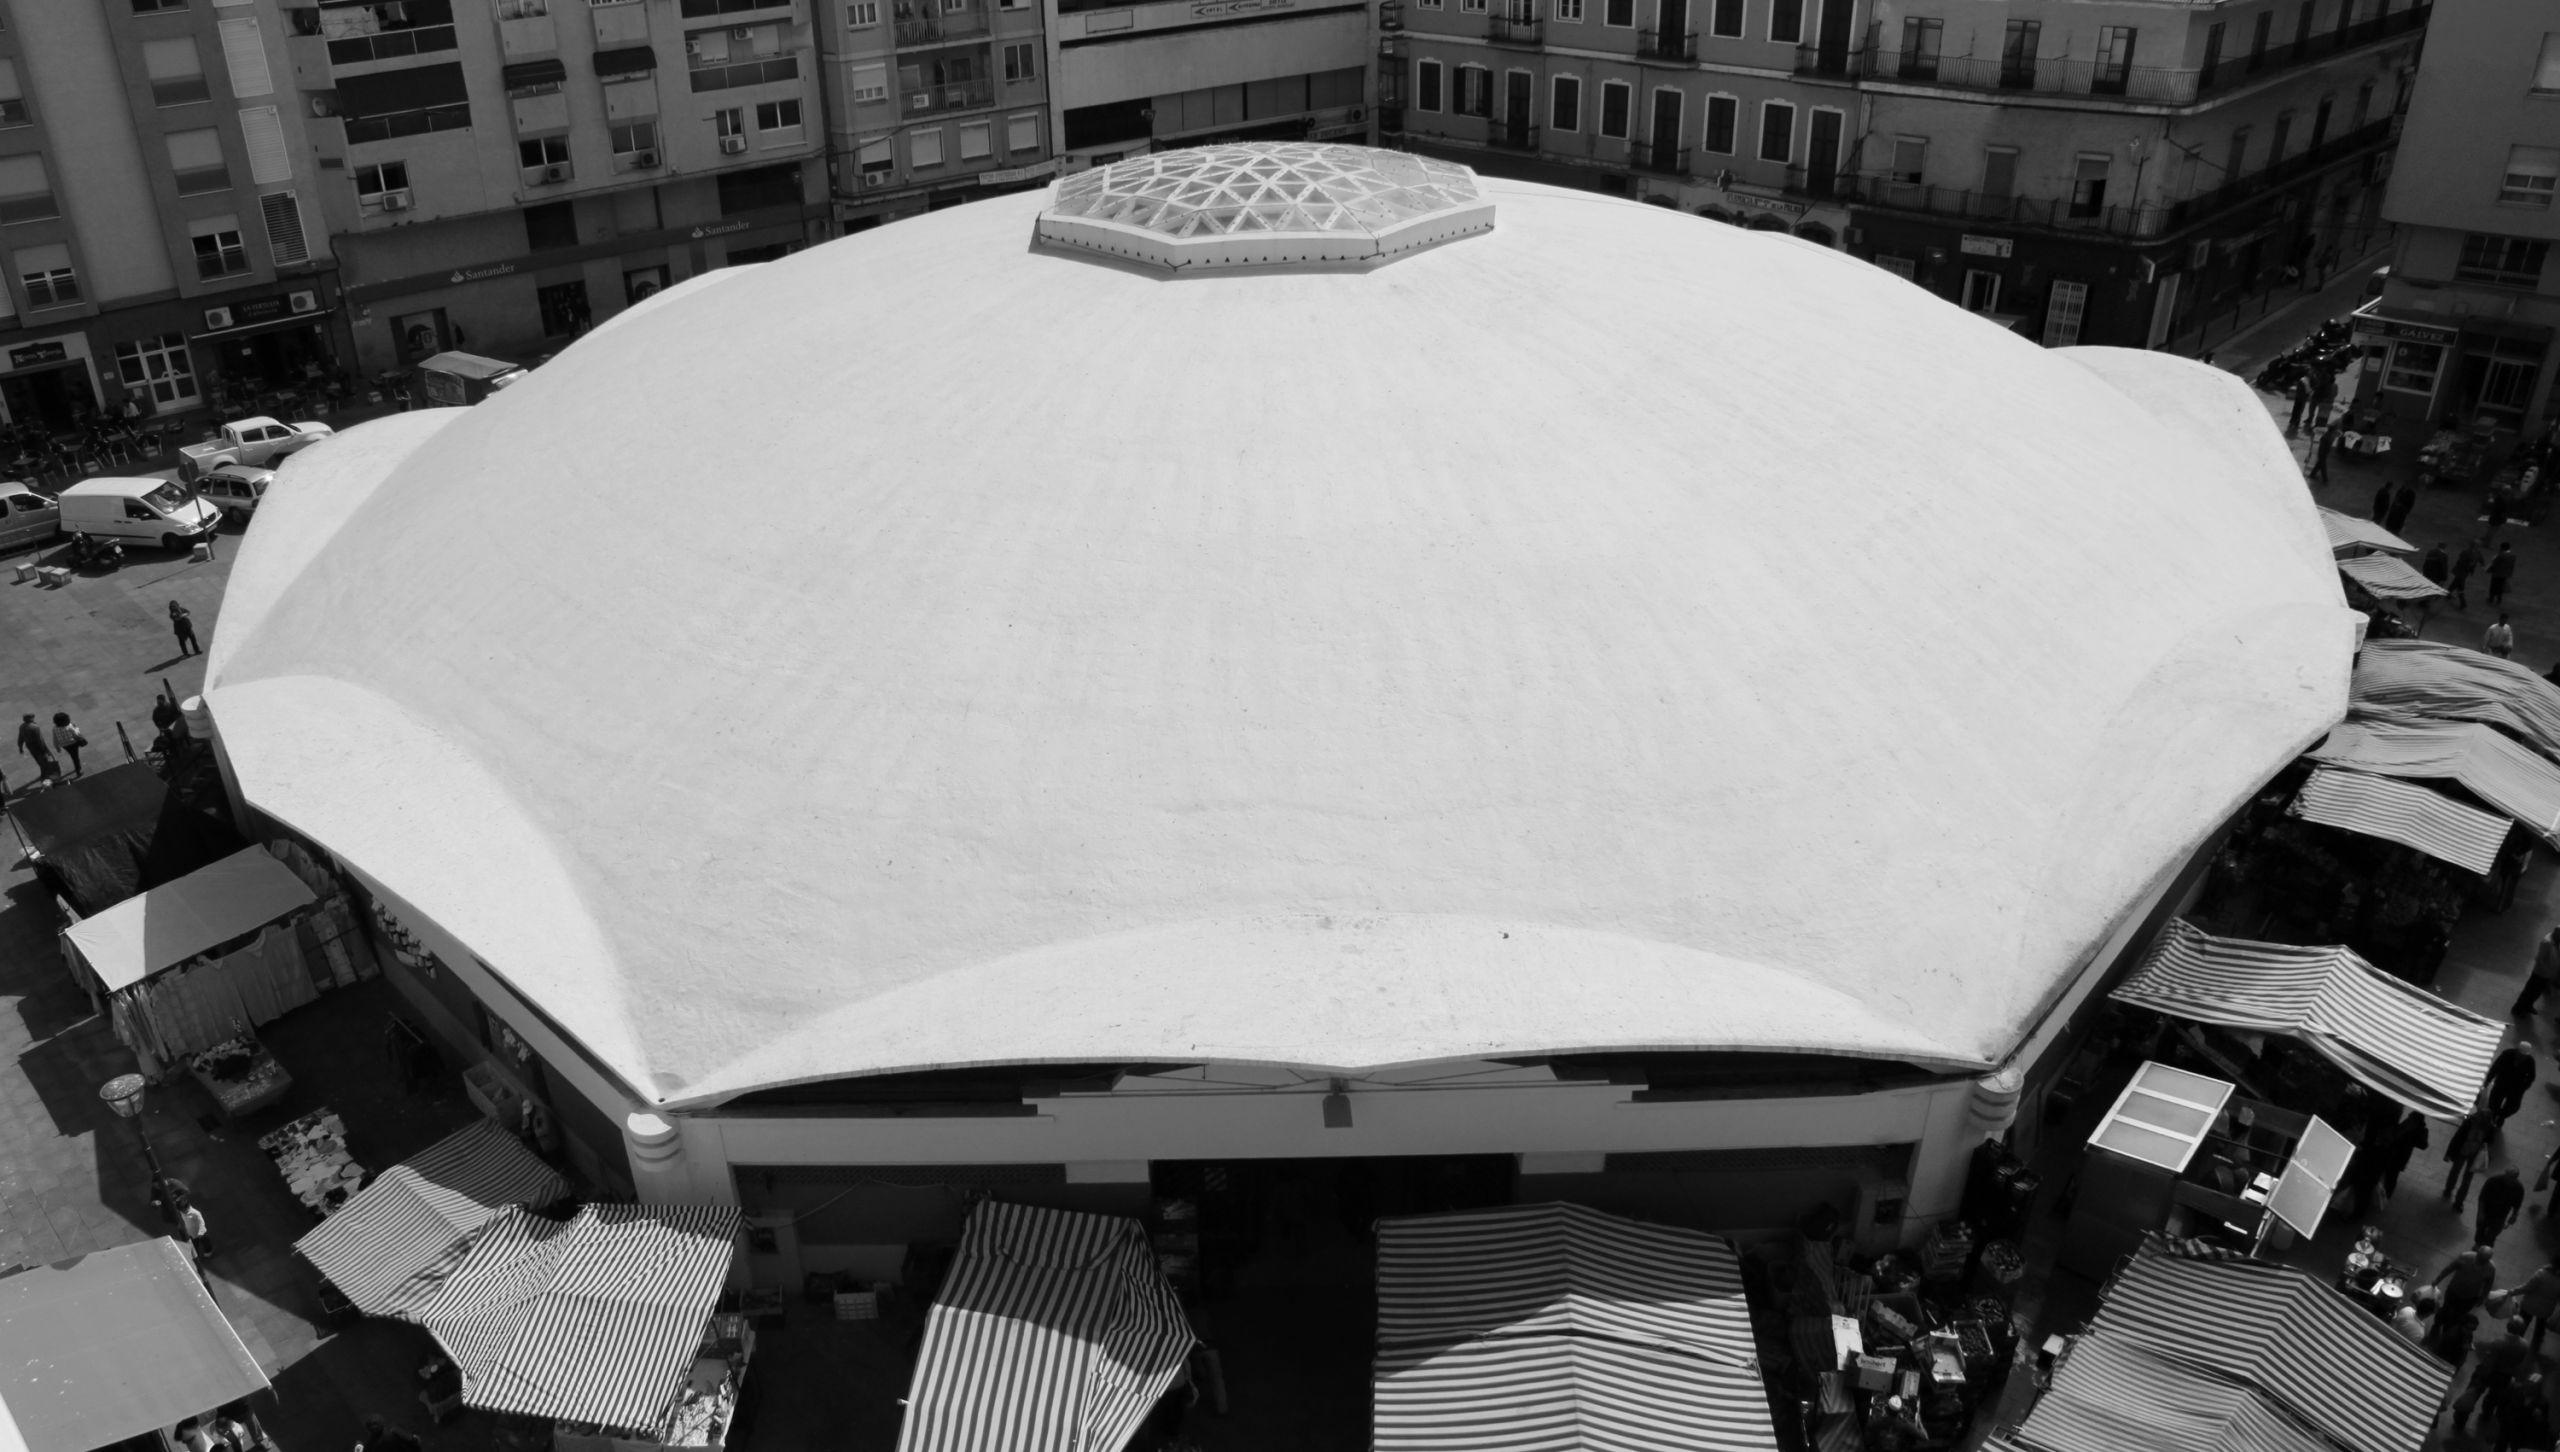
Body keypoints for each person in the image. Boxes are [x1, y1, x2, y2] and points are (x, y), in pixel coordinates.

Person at [2457, 1315, 2537, 1430]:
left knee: (2473, 1394)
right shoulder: (2524, 1345)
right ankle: (2486, 1416)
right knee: (2493, 1398)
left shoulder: (2498, 1342)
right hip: (2505, 1376)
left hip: (2489, 1372)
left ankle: (2461, 1419)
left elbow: (2489, 1361)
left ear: (2508, 1326)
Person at [2504, 1259, 2560, 1352]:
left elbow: (2527, 1287)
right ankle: (2536, 1346)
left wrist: (2512, 1292)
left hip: (2529, 1305)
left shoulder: (2541, 1274)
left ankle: (2516, 1344)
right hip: (2546, 1309)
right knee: (2540, 1328)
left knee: (2522, 1324)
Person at [2374, 1109, 2430, 1203]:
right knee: (2387, 1174)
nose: (2409, 1118)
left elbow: (2423, 1145)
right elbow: (2397, 1132)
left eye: (2411, 1117)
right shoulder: (2409, 1123)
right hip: (2393, 1152)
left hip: (2399, 1156)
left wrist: (2415, 1134)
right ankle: (2382, 1194)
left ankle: (2386, 1196)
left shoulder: (2421, 1130)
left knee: (2391, 1176)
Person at [2441, 1245, 2503, 1326]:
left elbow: (2488, 1284)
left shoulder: (2491, 1269)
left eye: (2484, 1261)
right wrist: (2437, 1280)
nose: (2480, 1262)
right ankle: (2437, 1325)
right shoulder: (2465, 1257)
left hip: (2470, 1298)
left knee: (2459, 1315)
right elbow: (2449, 1269)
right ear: (2477, 1254)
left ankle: (2449, 1328)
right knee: (2445, 1309)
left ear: (2488, 1260)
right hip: (2454, 1291)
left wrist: (2483, 1297)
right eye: (2480, 1258)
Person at [2453, 1107, 2498, 1210]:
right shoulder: (2488, 1127)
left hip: (2468, 1152)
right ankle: (2458, 1202)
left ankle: (2454, 1195)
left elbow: (2458, 1136)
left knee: (2458, 1172)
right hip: (2473, 1153)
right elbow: (2490, 1142)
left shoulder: (2471, 1122)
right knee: (2466, 1179)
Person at [2496, 1372, 2553, 1452]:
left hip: (2522, 1433)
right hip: (2507, 1426)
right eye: (2529, 1384)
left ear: (2538, 1388)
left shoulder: (2542, 1402)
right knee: (2500, 1447)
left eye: (2533, 1386)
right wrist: (2498, 1421)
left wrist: (2539, 1418)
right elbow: (2503, 1405)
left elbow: (2543, 1424)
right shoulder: (2516, 1391)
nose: (2529, 1387)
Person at [2482, 1163, 2529, 1249]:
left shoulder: (2518, 1188)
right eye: (2508, 1177)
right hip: (2487, 1210)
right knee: (2481, 1232)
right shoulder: (2493, 1181)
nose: (2509, 1180)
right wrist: (2480, 1212)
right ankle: (2482, 1245)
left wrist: (2514, 1215)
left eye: (2512, 1178)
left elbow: (2517, 1204)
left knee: (2492, 1235)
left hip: (2501, 1214)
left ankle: (2486, 1247)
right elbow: (2483, 1197)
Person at [2492, 1042, 2539, 1125]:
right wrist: (2488, 1079)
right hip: (2502, 1082)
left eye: (2524, 1056)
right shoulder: (2507, 1054)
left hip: (2516, 1087)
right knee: (2494, 1102)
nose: (2522, 1057)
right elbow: (2496, 1067)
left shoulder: (2530, 1061)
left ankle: (2501, 1116)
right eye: (2520, 1054)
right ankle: (2493, 1116)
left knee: (2513, 1107)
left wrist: (2524, 1087)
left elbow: (2531, 1077)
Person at [2522, 928, 2560, 1017]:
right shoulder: (2547, 943)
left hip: (2548, 974)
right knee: (2530, 991)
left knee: (2537, 992)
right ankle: (2519, 1009)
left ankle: (2529, 1005)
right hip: (2540, 973)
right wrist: (2547, 970)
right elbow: (2539, 959)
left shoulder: (2556, 941)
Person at [14, 711, 56, 783]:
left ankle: (43, 773)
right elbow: (40, 740)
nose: (33, 719)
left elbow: (20, 738)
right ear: (30, 719)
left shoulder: (22, 726)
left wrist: (20, 747)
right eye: (32, 717)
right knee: (45, 760)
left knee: (38, 760)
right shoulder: (34, 727)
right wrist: (45, 750)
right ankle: (46, 775)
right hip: (38, 747)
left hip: (30, 747)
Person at [357, 1414, 426, 1452]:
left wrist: (359, 1446)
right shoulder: (394, 1431)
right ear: (382, 1422)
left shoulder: (369, 1445)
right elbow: (415, 1441)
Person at [47, 711, 84, 777]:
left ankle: (77, 767)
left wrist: (57, 747)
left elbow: (55, 739)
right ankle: (78, 770)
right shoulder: (69, 727)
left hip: (64, 745)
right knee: (75, 757)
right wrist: (76, 727)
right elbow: (76, 735)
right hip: (73, 743)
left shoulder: (54, 728)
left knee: (73, 755)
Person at [2457, 540, 2489, 610]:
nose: (2478, 547)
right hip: (2463, 570)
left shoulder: (2472, 552)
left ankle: (2463, 602)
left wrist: (2482, 566)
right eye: (2477, 545)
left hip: (2463, 571)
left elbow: (2480, 559)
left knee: (2460, 586)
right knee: (2457, 584)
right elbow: (2481, 560)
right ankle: (2451, 594)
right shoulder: (2472, 552)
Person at [2492, 542, 2521, 608]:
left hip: (2497, 573)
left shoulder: (2501, 555)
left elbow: (2495, 562)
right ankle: (2499, 599)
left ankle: (2492, 598)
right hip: (2505, 574)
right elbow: (2512, 566)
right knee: (2500, 587)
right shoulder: (2512, 556)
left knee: (2494, 586)